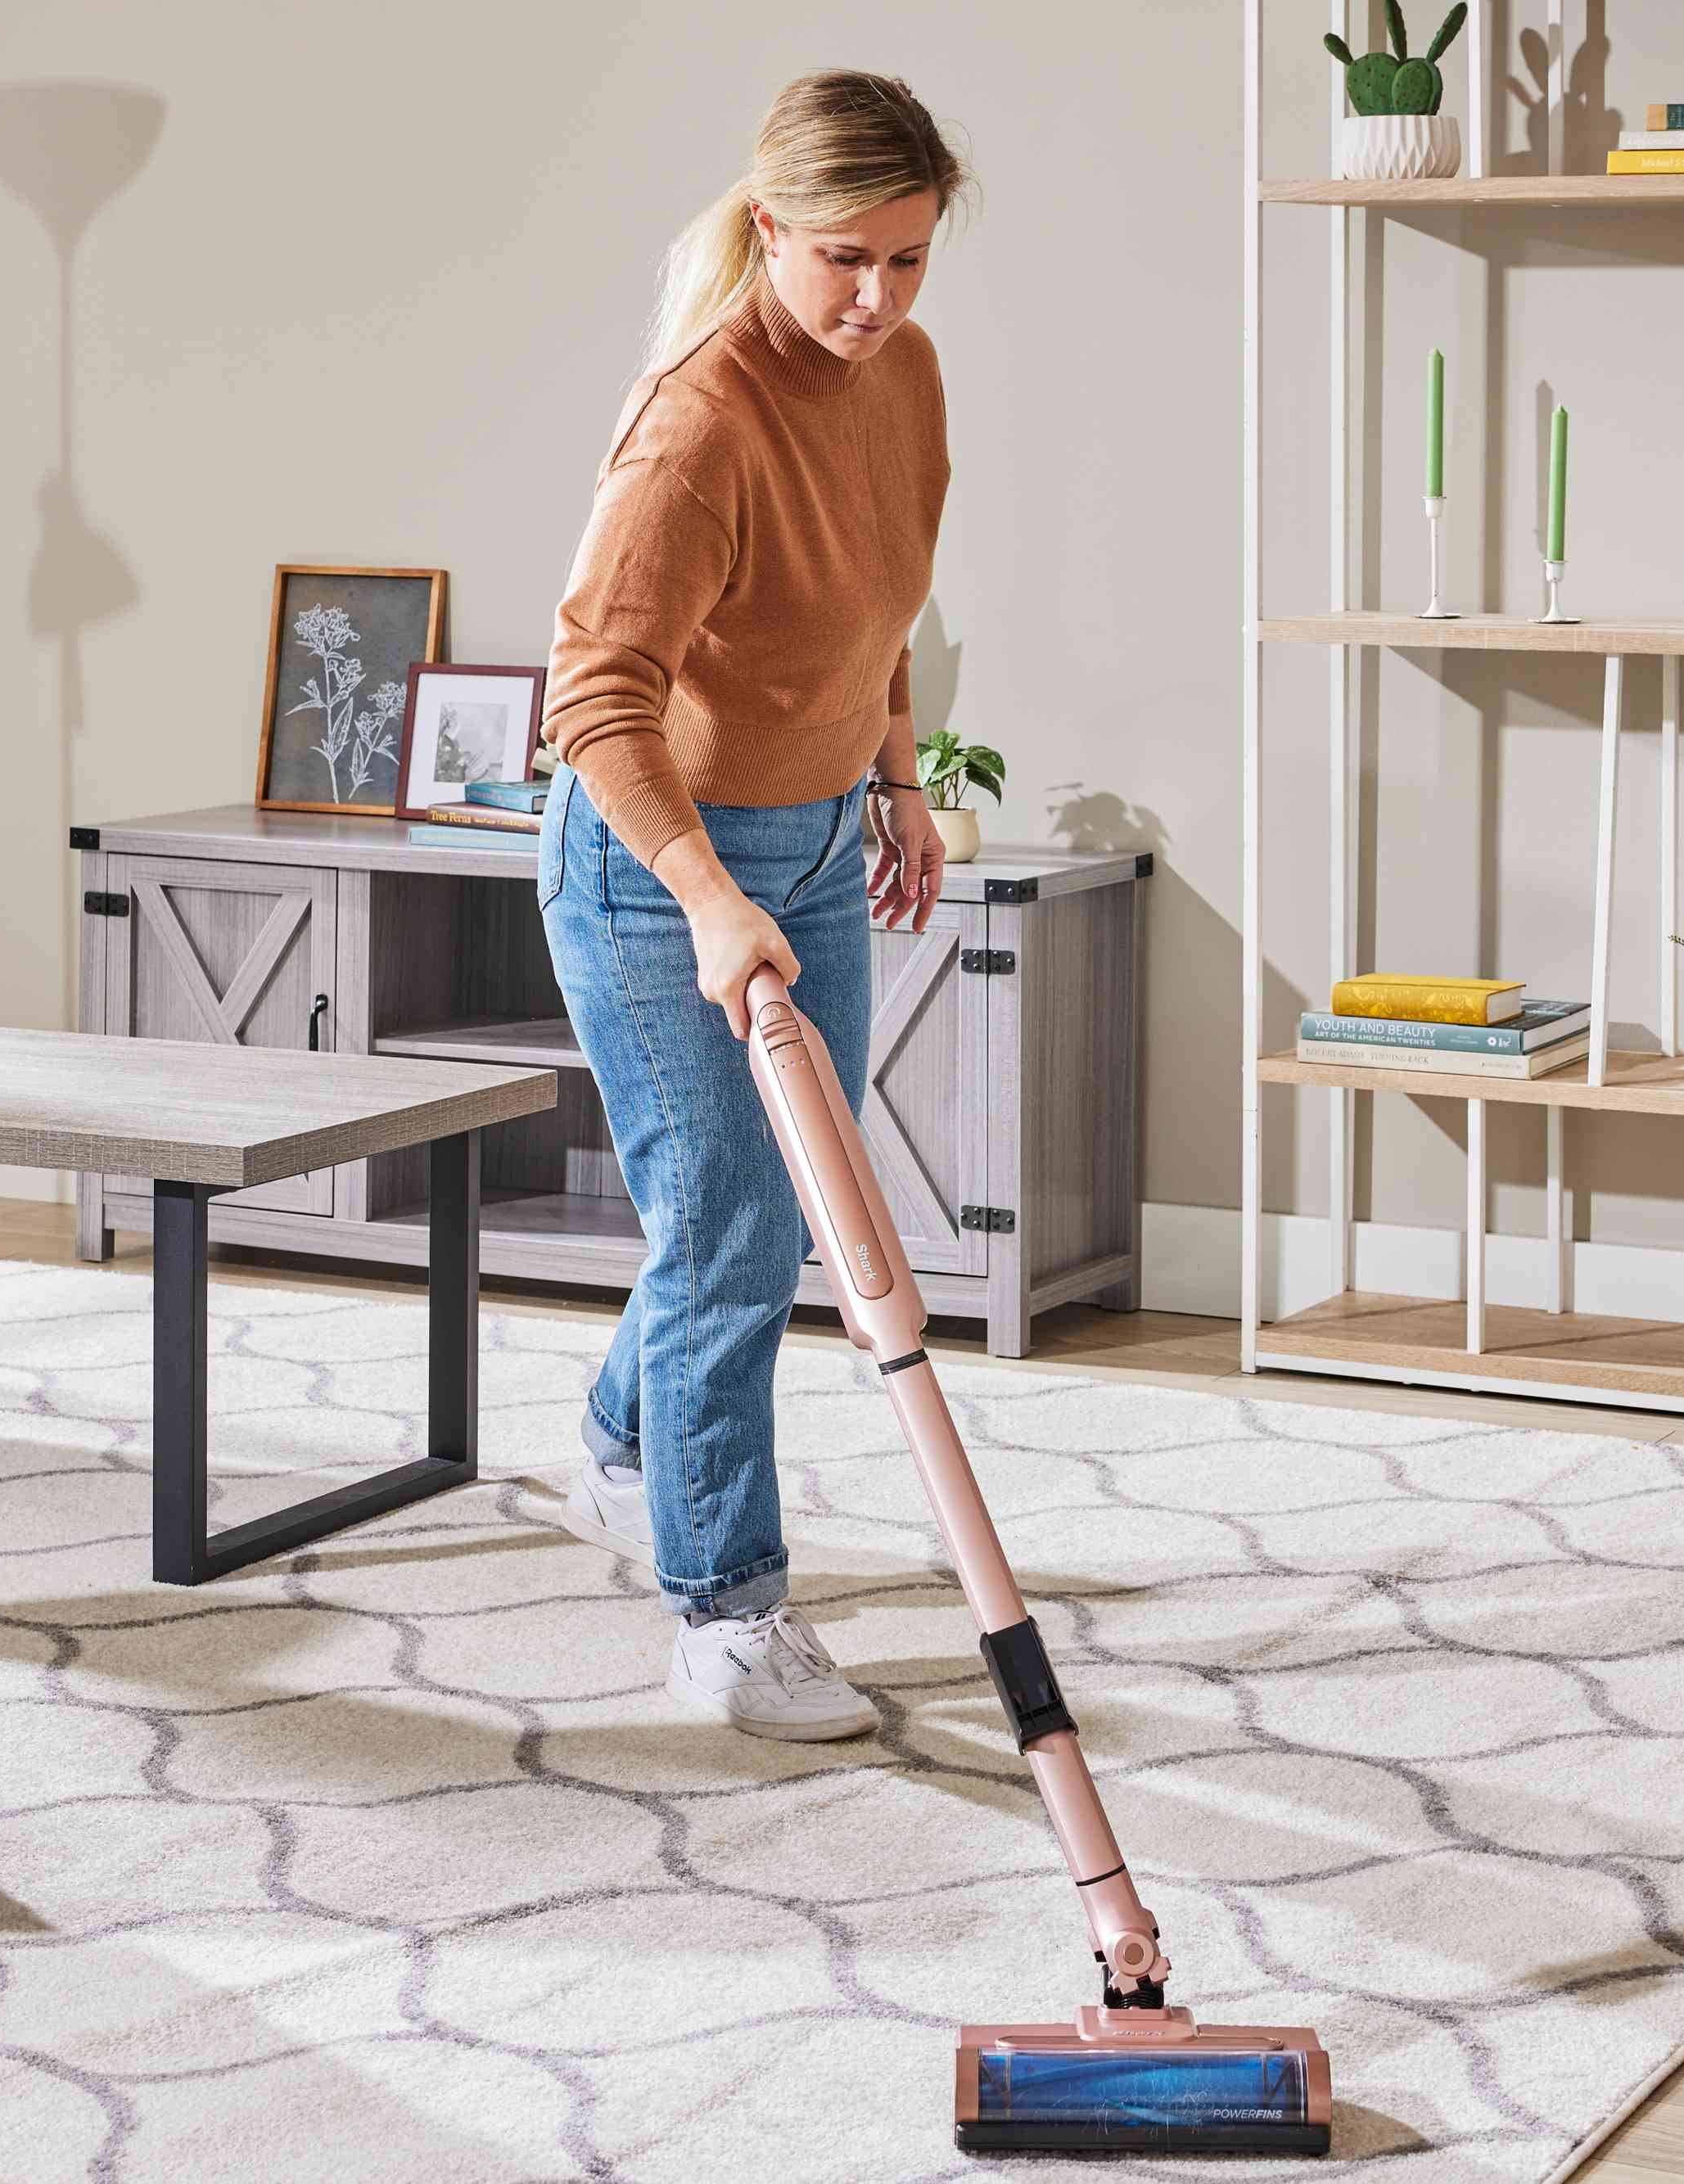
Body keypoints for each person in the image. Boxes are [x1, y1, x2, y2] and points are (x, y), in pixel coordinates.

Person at [536, 70, 962, 1740]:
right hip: (658, 866)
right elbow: (593, 703)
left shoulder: (901, 375)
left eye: (910, 261)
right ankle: (723, 1613)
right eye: (845, 258)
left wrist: (897, 774)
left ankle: (624, 1444)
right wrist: (709, 897)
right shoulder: (699, 423)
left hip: (807, 837)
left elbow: (880, 596)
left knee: (777, 1213)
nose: (877, 299)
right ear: (768, 225)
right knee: (732, 1239)